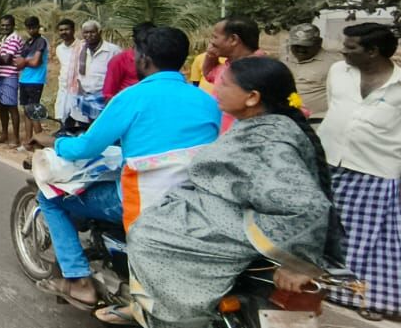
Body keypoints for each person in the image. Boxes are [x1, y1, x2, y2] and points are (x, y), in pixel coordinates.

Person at [124, 57, 338, 327]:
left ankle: (177, 316)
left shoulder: (270, 140)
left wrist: (299, 263)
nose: (215, 90)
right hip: (226, 210)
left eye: (224, 84)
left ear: (252, 97)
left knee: (148, 236)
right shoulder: (260, 125)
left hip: (242, 225)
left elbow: (307, 204)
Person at [34, 27, 221, 310]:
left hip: (142, 199)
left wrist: (57, 144)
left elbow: (85, 148)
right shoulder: (207, 101)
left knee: (49, 198)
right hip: (194, 200)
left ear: (144, 59)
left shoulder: (132, 98)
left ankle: (77, 280)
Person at [319, 23, 400, 318]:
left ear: (373, 51)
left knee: (368, 239)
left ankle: (367, 299)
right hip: (330, 163)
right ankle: (325, 288)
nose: (343, 50)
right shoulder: (338, 72)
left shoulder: (399, 83)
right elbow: (334, 108)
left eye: (351, 46)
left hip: (375, 170)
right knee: (328, 232)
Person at [202, 16, 265, 133]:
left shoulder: (261, 69)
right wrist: (210, 56)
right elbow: (209, 74)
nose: (211, 41)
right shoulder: (228, 64)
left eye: (215, 37)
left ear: (233, 39)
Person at [61, 20, 120, 127]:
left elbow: (120, 74)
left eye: (92, 32)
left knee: (104, 130)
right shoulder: (78, 50)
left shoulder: (113, 51)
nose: (89, 35)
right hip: (84, 97)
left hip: (105, 100)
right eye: (86, 32)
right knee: (86, 130)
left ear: (99, 32)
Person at [281, 23, 338, 122]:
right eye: (296, 45)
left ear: (319, 43)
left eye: (306, 45)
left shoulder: (334, 63)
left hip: (317, 120)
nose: (301, 49)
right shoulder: (285, 58)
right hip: (288, 118)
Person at [14, 16, 49, 147]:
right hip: (24, 79)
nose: (31, 29)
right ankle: (29, 141)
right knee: (26, 111)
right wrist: (25, 62)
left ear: (38, 26)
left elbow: (36, 62)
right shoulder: (28, 42)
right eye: (29, 27)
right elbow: (18, 63)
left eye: (33, 27)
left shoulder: (41, 41)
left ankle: (40, 142)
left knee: (33, 111)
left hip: (36, 80)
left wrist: (25, 62)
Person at [0, 15, 25, 148]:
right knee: (2, 106)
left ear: (13, 25)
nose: (5, 27)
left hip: (10, 75)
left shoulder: (14, 39)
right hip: (1, 75)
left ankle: (16, 138)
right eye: (3, 25)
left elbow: (5, 59)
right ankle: (4, 134)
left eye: (7, 25)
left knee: (11, 107)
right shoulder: (4, 39)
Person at [103, 22, 155, 101]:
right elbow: (109, 95)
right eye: (144, 41)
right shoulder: (119, 60)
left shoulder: (159, 59)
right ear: (135, 40)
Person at [53, 19, 77, 121]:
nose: (64, 32)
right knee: (62, 120)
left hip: (78, 90)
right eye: (61, 30)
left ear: (73, 30)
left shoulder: (82, 46)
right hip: (63, 89)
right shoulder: (59, 49)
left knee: (80, 121)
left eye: (66, 29)